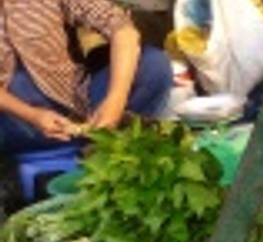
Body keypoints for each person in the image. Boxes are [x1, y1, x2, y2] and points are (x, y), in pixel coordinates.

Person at [0, 0, 173, 154]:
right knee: (19, 84)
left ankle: (102, 135)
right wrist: (32, 116)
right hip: (18, 118)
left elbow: (122, 29)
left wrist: (115, 100)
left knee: (153, 65)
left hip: (75, 99)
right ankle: (86, 146)